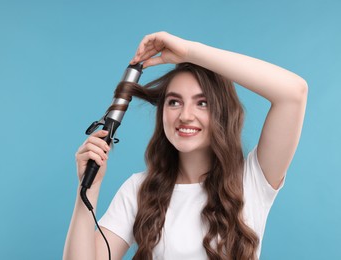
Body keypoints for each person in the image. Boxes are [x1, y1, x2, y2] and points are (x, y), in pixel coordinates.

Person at [63, 31, 308, 260]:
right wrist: (88, 189)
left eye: (202, 103)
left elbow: (293, 93)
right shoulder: (139, 189)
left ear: (221, 113)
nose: (185, 116)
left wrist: (189, 52)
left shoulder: (252, 179)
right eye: (174, 102)